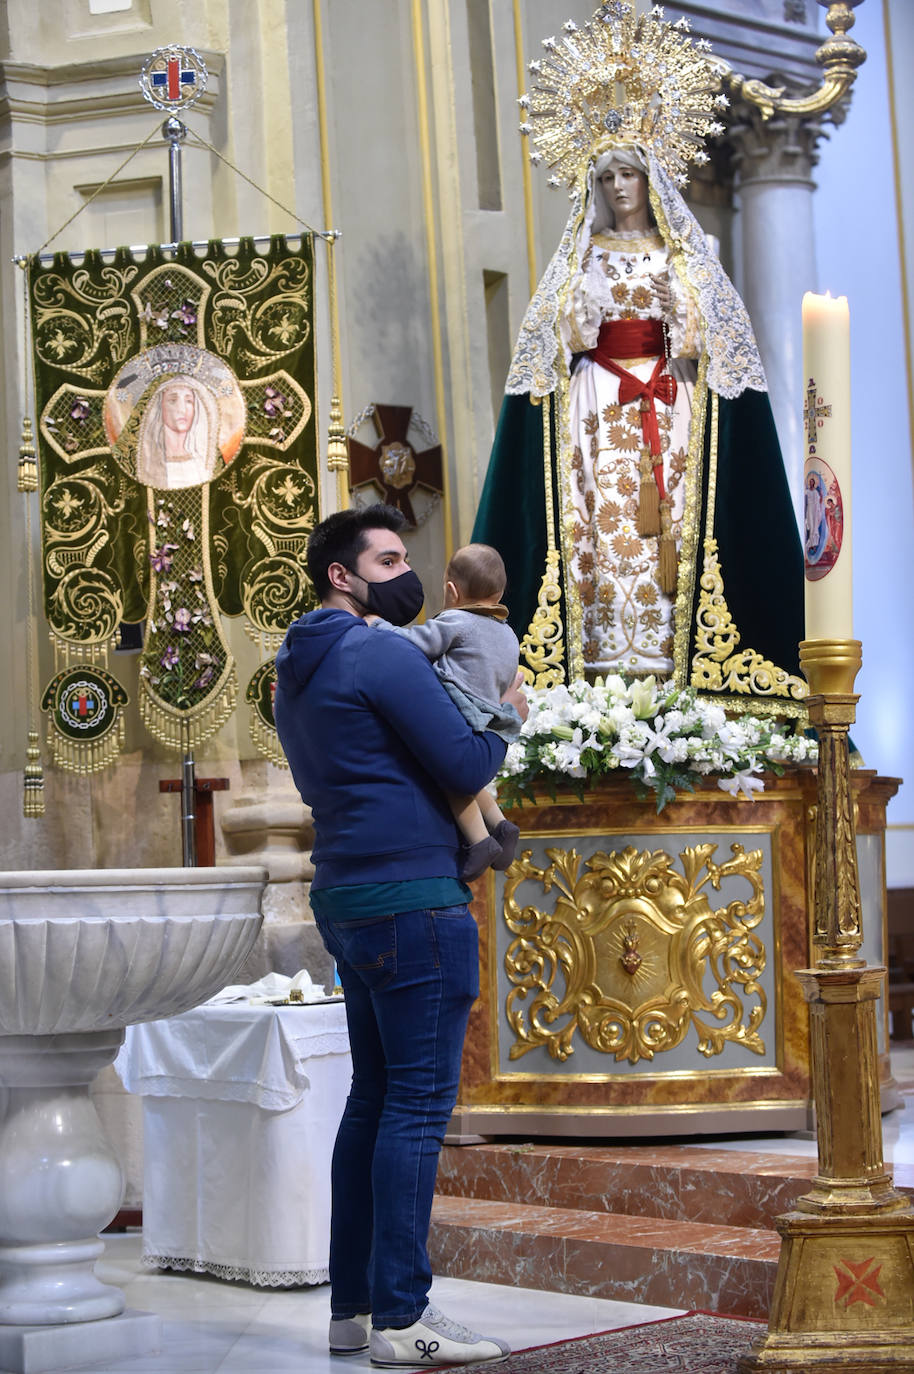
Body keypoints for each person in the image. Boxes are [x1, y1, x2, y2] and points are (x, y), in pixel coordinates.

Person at [473, 7, 806, 717]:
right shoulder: (582, 256)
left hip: (667, 398)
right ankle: (599, 664)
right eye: (608, 176)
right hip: (597, 404)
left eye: (630, 173)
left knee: (672, 525)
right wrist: (582, 308)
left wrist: (683, 311)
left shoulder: (686, 256)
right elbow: (556, 339)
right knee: (599, 522)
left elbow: (712, 339)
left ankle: (673, 657)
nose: (620, 187)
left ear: (652, 178)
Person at [273, 503, 524, 1367]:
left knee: (372, 1101)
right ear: (343, 575)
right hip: (414, 897)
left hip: (345, 895)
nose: (404, 572)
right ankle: (404, 1318)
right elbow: (463, 762)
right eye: (387, 559)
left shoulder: (291, 667)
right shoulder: (376, 649)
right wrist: (505, 708)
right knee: (418, 1106)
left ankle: (355, 1309)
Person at [379, 542, 522, 882]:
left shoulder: (456, 620)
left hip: (460, 709)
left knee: (450, 779)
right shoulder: (507, 633)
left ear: (451, 591)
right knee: (472, 784)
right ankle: (501, 824)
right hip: (491, 715)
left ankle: (479, 842)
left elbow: (413, 645)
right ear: (499, 593)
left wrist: (379, 628)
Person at [137, 375, 217, 488]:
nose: (182, 409)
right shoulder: (150, 465)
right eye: (172, 400)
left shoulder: (200, 465)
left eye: (189, 401)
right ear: (160, 407)